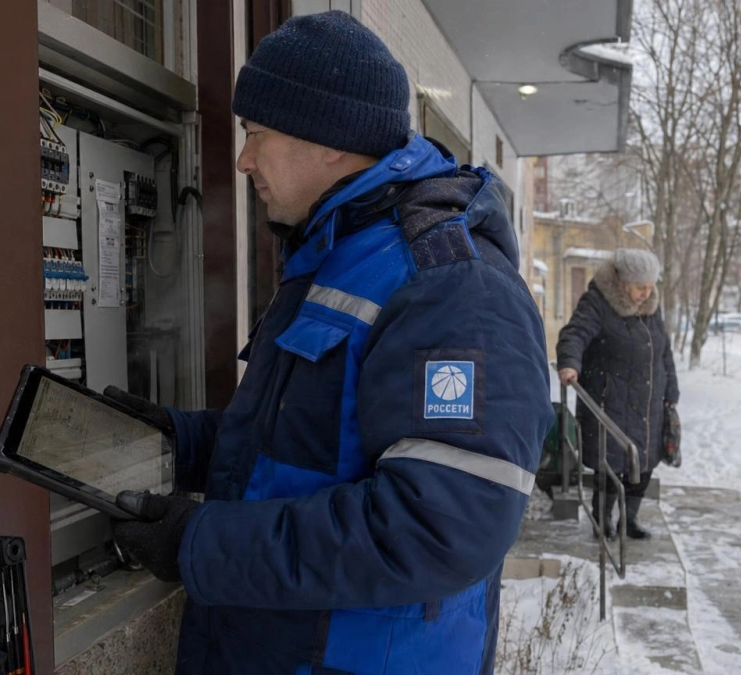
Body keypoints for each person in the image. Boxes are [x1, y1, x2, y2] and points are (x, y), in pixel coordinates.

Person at [105, 11, 553, 675]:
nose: (243, 159)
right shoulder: (337, 255)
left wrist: (201, 544)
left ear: (331, 142)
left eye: (257, 133)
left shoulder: (450, 287)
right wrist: (180, 442)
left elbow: (436, 528)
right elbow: (309, 440)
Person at [555, 248, 680, 541]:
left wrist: (671, 389)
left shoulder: (652, 306)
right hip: (609, 402)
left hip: (649, 403)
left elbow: (663, 351)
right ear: (623, 282)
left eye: (651, 287)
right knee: (610, 465)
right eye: (640, 287)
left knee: (644, 465)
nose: (646, 294)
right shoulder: (597, 302)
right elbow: (573, 334)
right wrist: (570, 364)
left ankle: (630, 520)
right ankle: (602, 520)